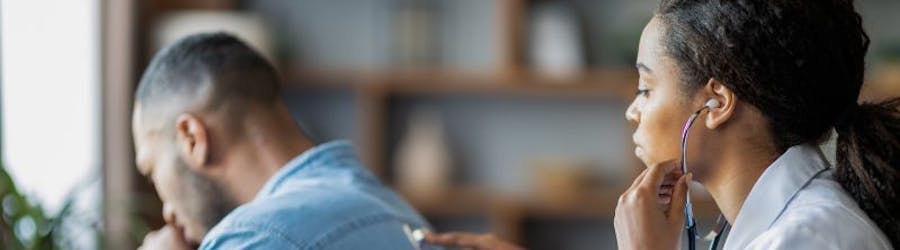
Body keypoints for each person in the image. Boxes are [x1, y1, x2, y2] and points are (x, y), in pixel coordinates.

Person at [425, 0, 899, 249]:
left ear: (716, 101)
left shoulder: (809, 239)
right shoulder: (766, 224)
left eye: (646, 88)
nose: (632, 110)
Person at [133, 32, 430, 249]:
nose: (167, 211)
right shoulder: (399, 212)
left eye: (151, 168)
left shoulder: (256, 236)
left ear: (192, 139)